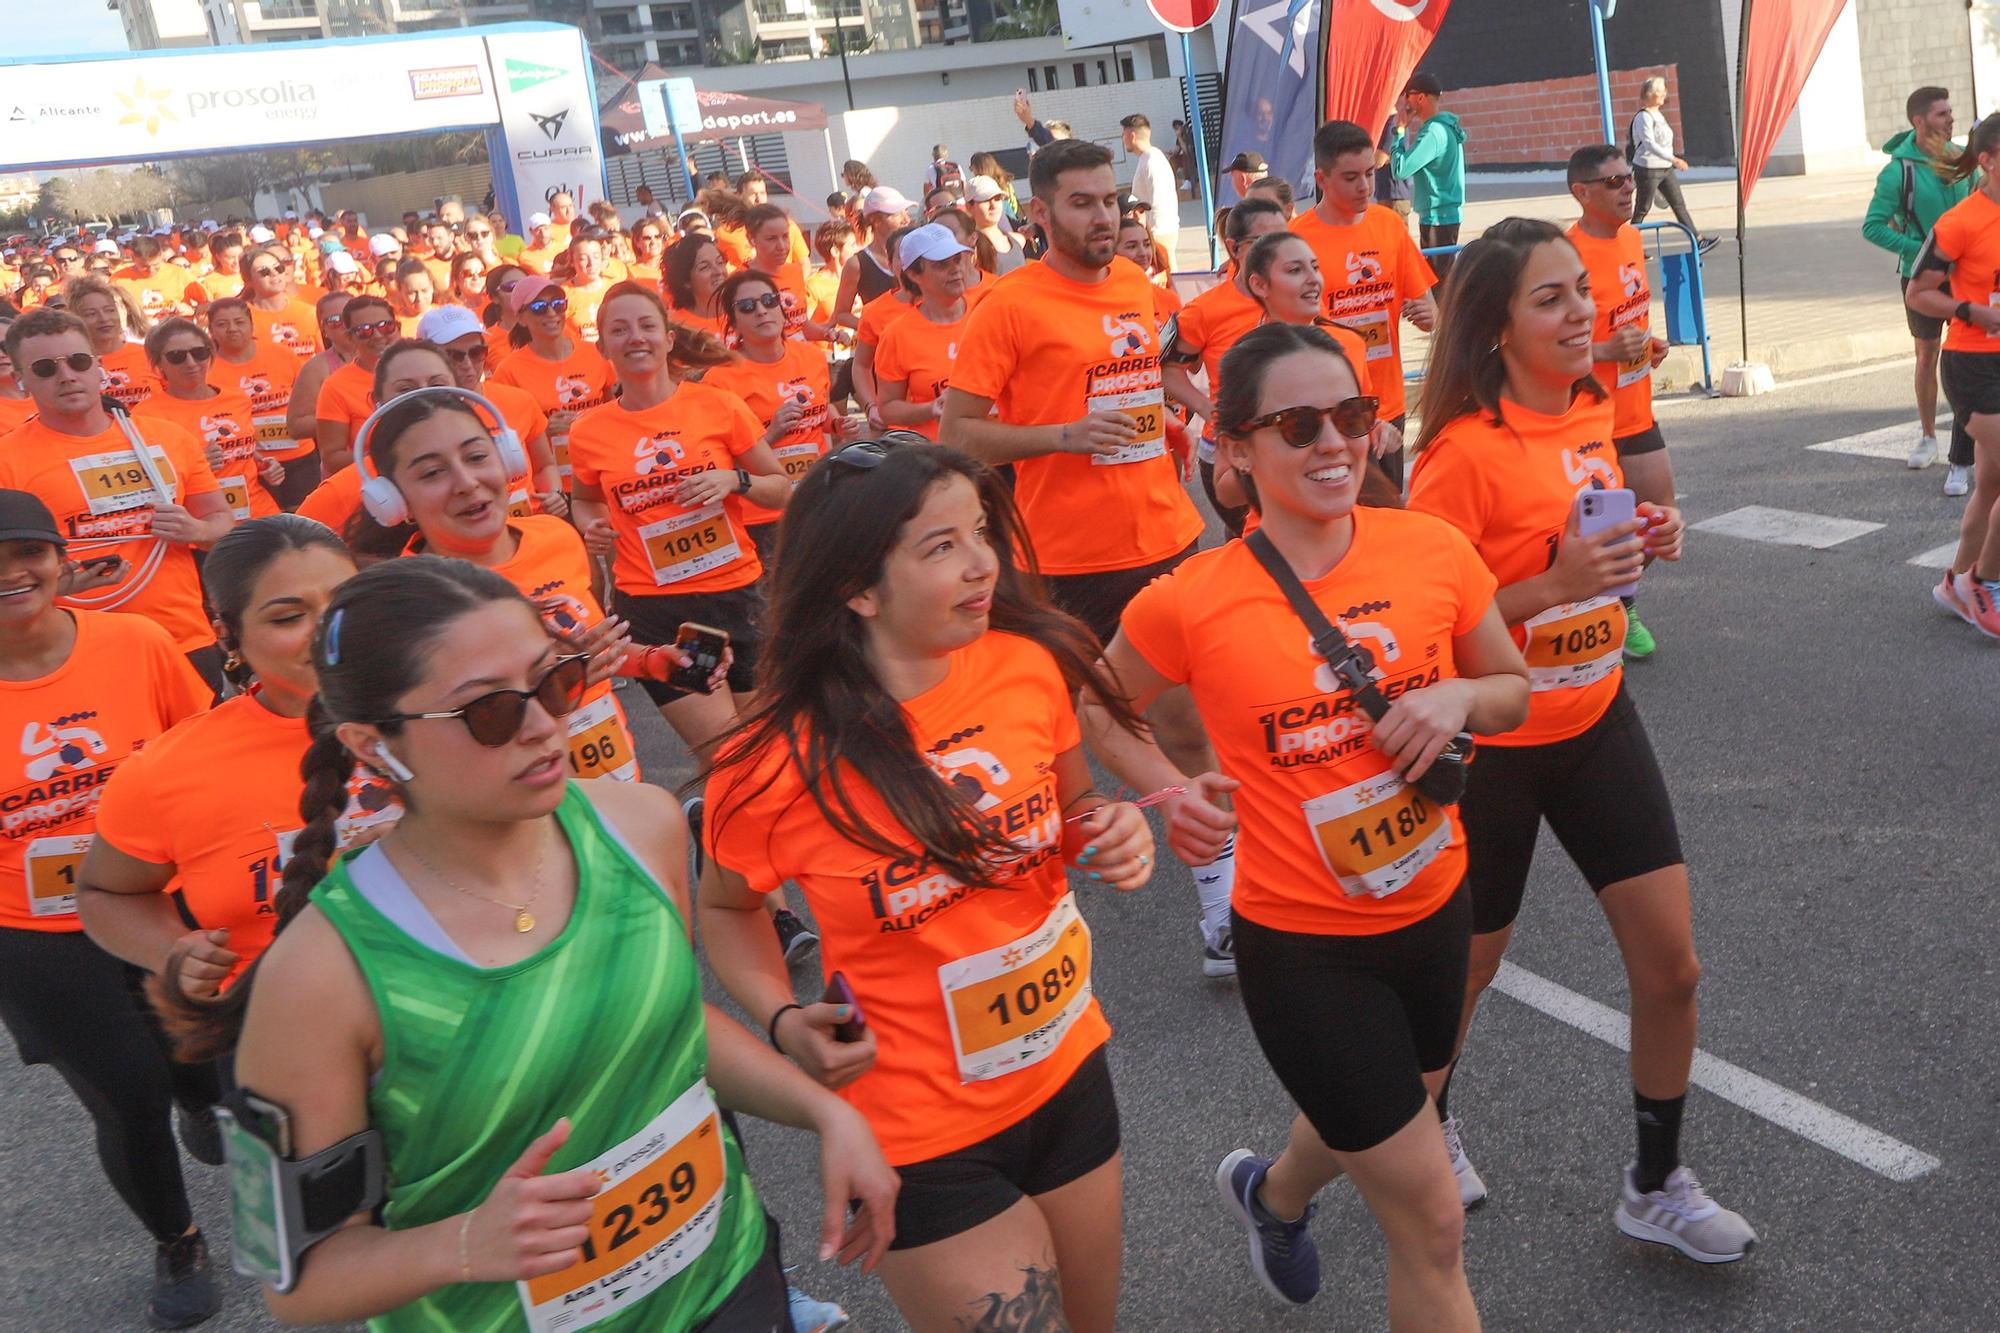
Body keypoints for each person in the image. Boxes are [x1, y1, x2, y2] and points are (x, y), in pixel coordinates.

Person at [157, 554, 899, 1329]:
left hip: (726, 1281)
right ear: (374, 745)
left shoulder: (639, 825)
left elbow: (672, 1029)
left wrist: (824, 1111)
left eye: (554, 682)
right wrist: (463, 1244)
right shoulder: (315, 975)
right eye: (490, 712)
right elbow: (297, 1280)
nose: (548, 726)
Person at [1082, 322, 1529, 1323]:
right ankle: (1285, 1194)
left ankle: (1272, 1192)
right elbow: (1097, 702)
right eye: (1296, 424)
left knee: (1390, 1107)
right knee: (1431, 1223)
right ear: (1232, 449)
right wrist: (1169, 786)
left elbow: (1510, 688)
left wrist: (1455, 698)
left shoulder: (1430, 547)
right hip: (1303, 946)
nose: (1333, 443)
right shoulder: (1191, 599)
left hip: (1432, 909)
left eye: (1351, 415)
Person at [702, 440, 1155, 1332]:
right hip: (918, 1127)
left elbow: (1074, 810)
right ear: (857, 588)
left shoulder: (1027, 665)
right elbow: (727, 906)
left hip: (1067, 1069)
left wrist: (1114, 830)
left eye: (979, 532)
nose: (983, 562)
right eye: (940, 545)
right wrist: (783, 1017)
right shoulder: (770, 764)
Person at [1408, 218, 1757, 1261]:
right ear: (1495, 326)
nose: (1579, 314)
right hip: (1496, 748)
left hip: (1597, 714)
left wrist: (1650, 537)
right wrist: (1557, 584)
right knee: (1465, 971)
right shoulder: (1457, 455)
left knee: (1672, 968)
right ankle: (1427, 1121)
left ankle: (1654, 1182)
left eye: (1578, 292)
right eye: (1549, 299)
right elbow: (1427, 633)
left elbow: (1592, 533)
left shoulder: (1594, 409)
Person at [943, 139, 1235, 978]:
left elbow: (1146, 387)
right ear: (1039, 215)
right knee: (1098, 722)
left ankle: (1224, 898)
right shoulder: (1008, 305)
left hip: (1169, 534)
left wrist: (1194, 419)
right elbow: (957, 433)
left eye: (1112, 202)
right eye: (1082, 203)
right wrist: (1061, 436)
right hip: (1070, 558)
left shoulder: (1141, 289)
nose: (1103, 216)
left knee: (1182, 717)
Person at [0, 488, 222, 1330]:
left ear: (61, 559)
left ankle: (199, 1095)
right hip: (37, 934)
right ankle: (177, 1236)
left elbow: (203, 751)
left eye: (27, 552)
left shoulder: (136, 642)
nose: (12, 574)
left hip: (158, 900)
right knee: (127, 1092)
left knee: (194, 1049)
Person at [78, 518, 396, 1019]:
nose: (327, 632)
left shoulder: (455, 713)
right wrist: (173, 952)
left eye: (345, 602)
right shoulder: (168, 771)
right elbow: (105, 892)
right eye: (289, 617)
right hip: (280, 1035)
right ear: (228, 635)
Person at [342, 389, 653, 780]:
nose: (467, 483)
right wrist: (560, 687)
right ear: (393, 501)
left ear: (506, 459)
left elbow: (592, 645)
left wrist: (655, 661)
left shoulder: (557, 536)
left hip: (615, 785)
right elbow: (439, 744)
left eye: (476, 457)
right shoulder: (405, 606)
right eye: (432, 473)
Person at [567, 284, 792, 758]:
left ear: (669, 339)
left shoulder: (718, 405)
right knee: (726, 756)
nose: (636, 338)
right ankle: (718, 821)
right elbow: (585, 500)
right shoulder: (588, 431)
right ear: (603, 346)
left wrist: (733, 481)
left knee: (766, 751)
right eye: (619, 330)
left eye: (647, 326)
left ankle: (718, 820)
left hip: (738, 598)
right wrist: (592, 525)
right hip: (659, 612)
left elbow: (780, 486)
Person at [0, 310, 235, 678]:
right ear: (21, 380)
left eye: (78, 362)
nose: (67, 377)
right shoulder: (7, 460)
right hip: (76, 649)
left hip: (182, 640)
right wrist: (57, 585)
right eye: (46, 368)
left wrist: (198, 531)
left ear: (97, 366)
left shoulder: (168, 438)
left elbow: (223, 523)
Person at [1567, 144, 1676, 663]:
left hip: (1636, 410)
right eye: (1612, 183)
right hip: (1585, 417)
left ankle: (1617, 600)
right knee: (1600, 531)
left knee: (1661, 519)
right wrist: (1605, 352)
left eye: (1628, 178)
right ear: (1581, 192)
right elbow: (1536, 347)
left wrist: (1647, 346)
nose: (1627, 188)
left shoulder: (1632, 237)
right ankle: (1597, 611)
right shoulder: (1566, 258)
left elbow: (1627, 316)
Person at [1290, 120, 1438, 485]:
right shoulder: (1296, 241)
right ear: (1322, 180)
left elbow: (1431, 311)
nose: (1365, 187)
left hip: (1388, 402)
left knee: (1388, 521)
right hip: (1333, 412)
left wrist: (1430, 313)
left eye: (1370, 173)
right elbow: (1290, 332)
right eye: (1351, 177)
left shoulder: (1388, 225)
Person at [1909, 115, 2000, 638]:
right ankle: (1984, 583)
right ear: (1986, 161)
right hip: (1973, 365)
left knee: (1990, 483)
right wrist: (1970, 309)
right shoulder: (1961, 221)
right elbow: (1918, 293)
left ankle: (1956, 581)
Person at [1864, 85, 1974, 487]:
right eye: (1942, 114)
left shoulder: (1962, 160)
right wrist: (1924, 249)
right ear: (1920, 121)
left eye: (1950, 112)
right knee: (1927, 354)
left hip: (1967, 276)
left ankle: (1964, 453)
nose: (1951, 120)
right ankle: (1928, 437)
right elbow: (1873, 226)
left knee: (1967, 358)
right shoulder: (1898, 171)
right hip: (1922, 278)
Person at [1163, 197, 1290, 534]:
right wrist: (1206, 407)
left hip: (1293, 441)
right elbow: (1167, 371)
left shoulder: (1301, 295)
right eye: (1264, 242)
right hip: (1231, 453)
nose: (1278, 251)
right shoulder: (1206, 310)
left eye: (1284, 238)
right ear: (1235, 248)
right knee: (1251, 547)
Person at [702, 269, 839, 563]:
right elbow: (716, 462)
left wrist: (838, 423)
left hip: (812, 499)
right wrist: (772, 432)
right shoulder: (720, 380)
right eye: (748, 307)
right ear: (734, 322)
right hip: (760, 515)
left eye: (768, 300)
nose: (761, 311)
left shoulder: (812, 357)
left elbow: (822, 410)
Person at [136, 316, 284, 523]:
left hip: (259, 515)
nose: (191, 363)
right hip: (202, 526)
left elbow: (244, 455)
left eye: (199, 353)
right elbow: (143, 486)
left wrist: (267, 468)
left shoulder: (237, 399)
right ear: (158, 363)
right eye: (176, 356)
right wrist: (193, 467)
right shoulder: (145, 416)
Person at [489, 278, 614, 488]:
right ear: (521, 318)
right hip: (555, 483)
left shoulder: (595, 353)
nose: (551, 313)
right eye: (539, 307)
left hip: (603, 468)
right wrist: (544, 430)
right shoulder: (509, 371)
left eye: (558, 304)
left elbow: (616, 409)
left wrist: (584, 418)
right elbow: (508, 440)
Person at [204, 295, 319, 511]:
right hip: (252, 465)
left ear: (251, 324)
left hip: (300, 456)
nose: (232, 329)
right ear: (210, 330)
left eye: (239, 322)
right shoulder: (206, 370)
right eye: (222, 324)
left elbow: (311, 396)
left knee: (308, 520)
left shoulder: (281, 354)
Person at [874, 224, 973, 443]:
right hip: (941, 459)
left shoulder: (990, 311)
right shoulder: (897, 335)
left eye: (958, 260)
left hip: (1002, 454)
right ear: (913, 273)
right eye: (941, 264)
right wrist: (931, 409)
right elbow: (888, 408)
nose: (956, 269)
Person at [312, 293, 403, 472]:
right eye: (364, 330)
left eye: (386, 326)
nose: (377, 335)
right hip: (377, 487)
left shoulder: (423, 366)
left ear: (398, 327)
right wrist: (389, 455)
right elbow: (331, 458)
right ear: (350, 337)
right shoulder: (336, 386)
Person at [1629, 77, 1719, 253]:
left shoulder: (1659, 115)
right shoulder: (1643, 117)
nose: (1664, 94)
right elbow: (1649, 144)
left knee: (1678, 205)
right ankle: (1631, 247)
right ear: (1649, 94)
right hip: (1648, 169)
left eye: (1664, 90)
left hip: (1665, 168)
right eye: (1660, 91)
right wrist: (1674, 159)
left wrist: (1669, 161)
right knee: (1642, 208)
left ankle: (1698, 241)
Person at [1389, 74, 1467, 277]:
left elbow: (1400, 170)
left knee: (1437, 281)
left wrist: (1399, 132)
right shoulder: (1447, 127)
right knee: (1443, 276)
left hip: (1436, 218)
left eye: (1408, 95)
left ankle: (1442, 310)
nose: (1405, 102)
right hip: (1447, 214)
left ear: (1421, 98)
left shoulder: (1432, 132)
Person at [67, 274, 156, 410]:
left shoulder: (150, 354)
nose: (104, 319)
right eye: (91, 314)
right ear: (76, 319)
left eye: (109, 310)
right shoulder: (71, 364)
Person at [835, 188, 916, 329]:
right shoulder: (857, 264)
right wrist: (875, 329)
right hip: (883, 347)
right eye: (897, 214)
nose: (906, 220)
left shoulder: (919, 253)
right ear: (875, 220)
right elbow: (841, 314)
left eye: (906, 211)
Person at [240, 242, 323, 362]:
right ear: (248, 280)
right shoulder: (241, 318)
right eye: (264, 272)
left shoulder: (309, 313)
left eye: (278, 268)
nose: (274, 274)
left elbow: (325, 359)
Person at [1122, 113, 1181, 261]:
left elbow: (1159, 201)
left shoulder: (1152, 161)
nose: (1123, 139)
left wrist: (1152, 235)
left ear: (1132, 136)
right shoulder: (1147, 159)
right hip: (1155, 232)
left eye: (1124, 134)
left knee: (1164, 279)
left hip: (1159, 232)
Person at [662, 234, 732, 340]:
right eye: (704, 267)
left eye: (720, 262)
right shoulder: (674, 326)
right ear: (685, 281)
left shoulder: (746, 310)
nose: (718, 271)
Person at [1374, 120, 1415, 223]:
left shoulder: (1392, 125)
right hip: (1387, 195)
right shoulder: (1386, 123)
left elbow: (1379, 160)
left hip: (1394, 198)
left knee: (1396, 238)